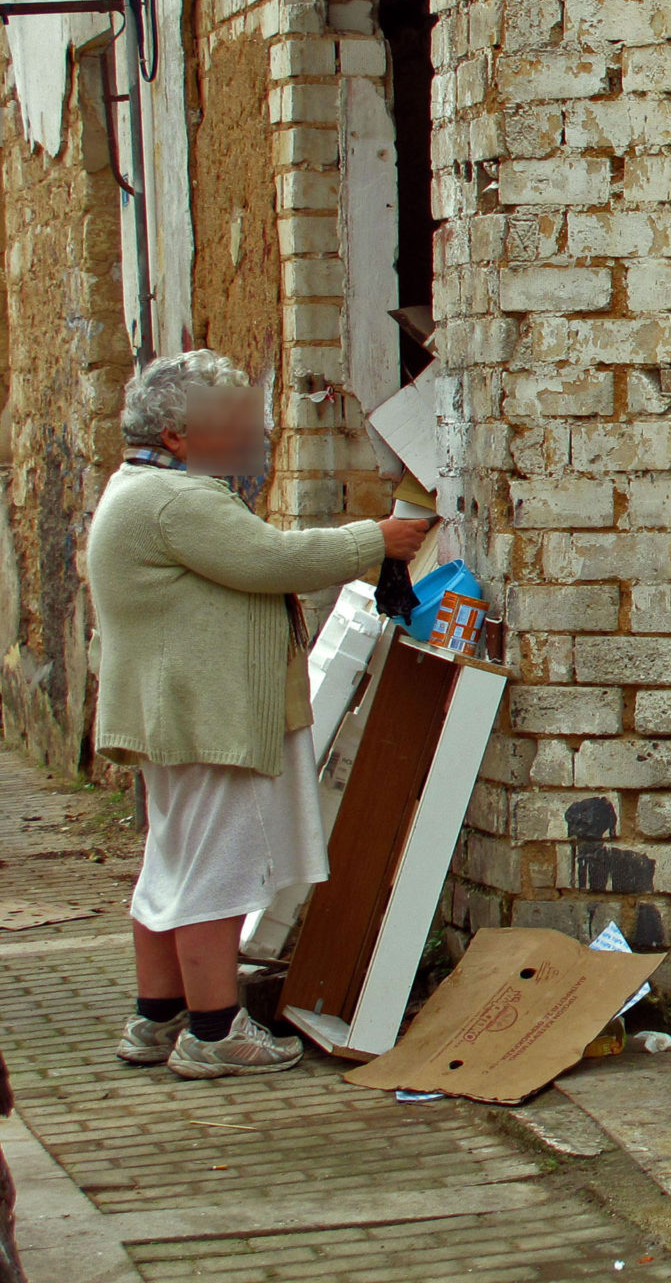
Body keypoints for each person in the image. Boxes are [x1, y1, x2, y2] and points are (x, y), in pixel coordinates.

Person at [86, 351, 431, 1079]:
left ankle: (159, 1016)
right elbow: (273, 559)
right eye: (236, 422)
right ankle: (213, 1032)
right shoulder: (179, 501)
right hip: (209, 718)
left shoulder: (141, 489)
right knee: (214, 872)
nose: (253, 435)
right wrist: (378, 540)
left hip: (177, 715)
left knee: (173, 864)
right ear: (180, 434)